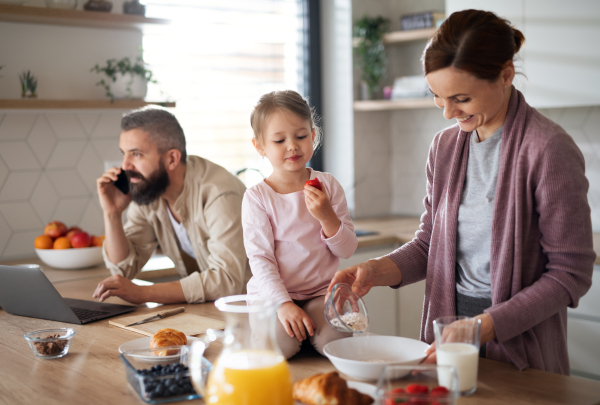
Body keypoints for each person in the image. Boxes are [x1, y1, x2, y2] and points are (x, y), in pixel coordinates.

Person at [329, 9, 595, 375]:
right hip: (446, 333)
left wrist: (483, 327)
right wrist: (375, 270)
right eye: (438, 96)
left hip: (518, 346)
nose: (448, 112)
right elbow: (428, 244)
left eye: (462, 99)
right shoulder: (445, 147)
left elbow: (570, 272)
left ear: (505, 75)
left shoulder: (548, 149)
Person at [243, 90, 358, 359]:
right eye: (279, 140)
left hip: (320, 292)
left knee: (337, 342)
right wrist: (283, 304)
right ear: (260, 145)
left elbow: (347, 249)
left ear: (313, 135)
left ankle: (309, 331)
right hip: (273, 296)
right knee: (280, 346)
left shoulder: (328, 185)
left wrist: (327, 216)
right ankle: (288, 329)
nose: (292, 146)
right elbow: (260, 259)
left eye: (301, 136)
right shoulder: (257, 197)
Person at [93, 107, 249, 305]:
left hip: (253, 312)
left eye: (137, 154)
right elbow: (122, 270)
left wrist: (143, 294)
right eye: (124, 154)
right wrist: (112, 214)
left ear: (172, 159)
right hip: (209, 309)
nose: (125, 166)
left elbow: (227, 281)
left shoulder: (219, 194)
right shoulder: (150, 191)